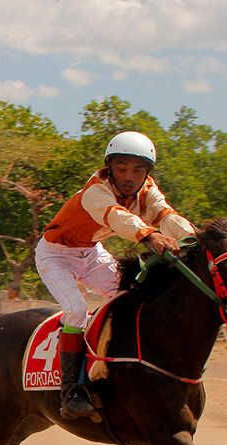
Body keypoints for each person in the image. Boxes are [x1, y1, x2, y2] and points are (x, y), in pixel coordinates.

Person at [35, 131, 194, 419]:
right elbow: (118, 217)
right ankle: (70, 391)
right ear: (110, 167)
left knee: (129, 297)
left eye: (138, 169)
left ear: (147, 172)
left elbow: (167, 216)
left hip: (91, 252)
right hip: (55, 254)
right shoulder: (96, 189)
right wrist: (150, 236)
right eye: (122, 168)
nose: (129, 176)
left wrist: (197, 239)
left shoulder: (148, 190)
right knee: (76, 310)